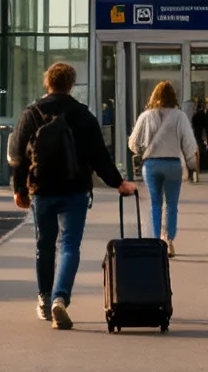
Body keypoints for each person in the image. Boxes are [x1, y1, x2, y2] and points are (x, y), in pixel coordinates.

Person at [8, 62, 136, 329]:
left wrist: (18, 189)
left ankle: (44, 299)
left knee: (44, 245)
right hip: (75, 190)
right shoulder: (82, 115)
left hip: (41, 190)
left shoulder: (31, 113)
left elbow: (18, 154)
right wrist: (118, 183)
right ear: (71, 84)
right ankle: (60, 299)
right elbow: (99, 155)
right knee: (69, 246)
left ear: (48, 82)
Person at [127, 80, 195, 252]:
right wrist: (191, 163)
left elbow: (133, 143)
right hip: (173, 163)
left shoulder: (146, 116)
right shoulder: (180, 116)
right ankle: (169, 240)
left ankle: (156, 241)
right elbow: (189, 143)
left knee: (155, 203)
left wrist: (141, 150)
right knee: (172, 204)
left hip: (151, 164)